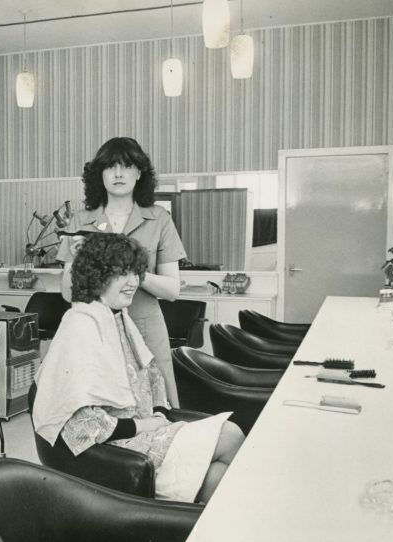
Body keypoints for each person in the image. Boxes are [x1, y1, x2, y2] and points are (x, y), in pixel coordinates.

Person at [35, 233, 244, 503]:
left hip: (144, 432)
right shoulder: (81, 324)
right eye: (122, 273)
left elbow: (150, 377)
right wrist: (145, 425)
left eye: (135, 273)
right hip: (118, 450)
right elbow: (81, 426)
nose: (133, 282)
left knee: (221, 477)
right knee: (231, 435)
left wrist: (158, 414)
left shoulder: (117, 316)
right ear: (96, 276)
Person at [58, 137, 186, 407]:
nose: (118, 173)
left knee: (157, 407)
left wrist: (132, 273)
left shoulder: (159, 218)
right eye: (110, 166)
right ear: (99, 175)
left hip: (145, 327)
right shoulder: (80, 221)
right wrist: (77, 256)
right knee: (103, 411)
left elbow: (173, 290)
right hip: (94, 330)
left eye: (127, 166)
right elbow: (68, 292)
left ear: (139, 173)